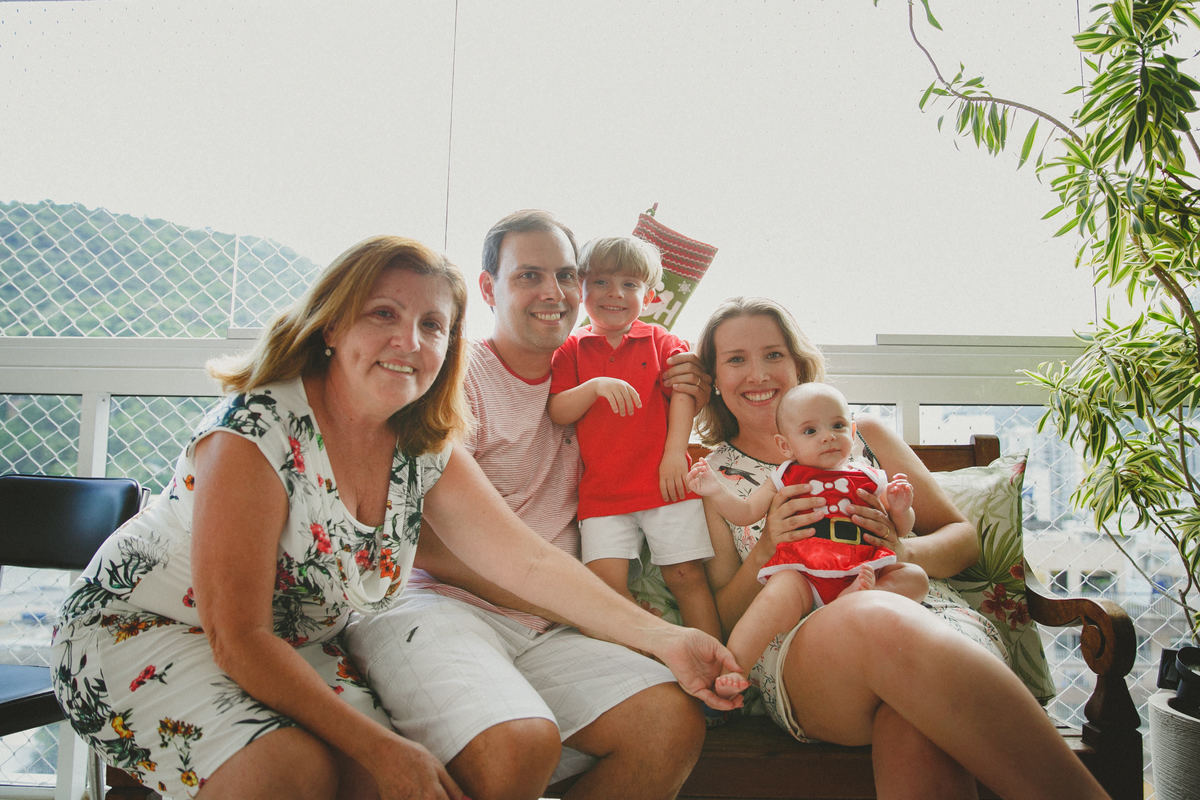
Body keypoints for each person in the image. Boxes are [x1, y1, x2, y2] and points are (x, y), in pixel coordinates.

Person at [50, 234, 739, 800]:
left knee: (392, 783)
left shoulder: (421, 438)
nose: (409, 341)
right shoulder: (257, 429)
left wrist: (666, 640)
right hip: (147, 632)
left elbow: (527, 561)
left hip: (292, 644)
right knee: (292, 772)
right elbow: (239, 637)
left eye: (432, 325)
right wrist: (386, 750)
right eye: (383, 314)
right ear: (331, 324)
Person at [343, 212, 734, 800]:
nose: (553, 292)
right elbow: (423, 544)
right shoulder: (452, 377)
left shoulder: (590, 366)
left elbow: (647, 326)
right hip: (441, 604)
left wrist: (685, 380)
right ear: (488, 288)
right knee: (514, 746)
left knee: (668, 724)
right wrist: (595, 612)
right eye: (528, 275)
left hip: (551, 624)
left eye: (566, 275)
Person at [693, 296, 1109, 799]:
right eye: (736, 359)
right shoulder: (713, 477)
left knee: (915, 724)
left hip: (930, 618)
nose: (758, 373)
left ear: (798, 363)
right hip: (803, 650)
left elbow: (962, 539)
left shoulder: (863, 437)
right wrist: (766, 549)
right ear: (714, 378)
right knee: (873, 615)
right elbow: (722, 617)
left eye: (773, 354)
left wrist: (901, 551)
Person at [687, 381, 927, 697]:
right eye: (810, 431)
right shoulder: (785, 476)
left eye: (837, 426)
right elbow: (745, 513)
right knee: (776, 594)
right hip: (806, 576)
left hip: (862, 571)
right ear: (786, 446)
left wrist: (900, 508)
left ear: (853, 431)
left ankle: (854, 599)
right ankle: (734, 668)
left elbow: (901, 529)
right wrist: (716, 491)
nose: (828, 436)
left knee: (915, 577)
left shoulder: (869, 476)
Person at [547, 235, 719, 638]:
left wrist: (675, 453)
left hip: (666, 481)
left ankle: (718, 660)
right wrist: (594, 387)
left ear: (650, 295)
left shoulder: (663, 341)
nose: (615, 293)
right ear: (581, 288)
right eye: (601, 282)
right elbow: (558, 410)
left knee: (686, 576)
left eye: (629, 284)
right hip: (602, 493)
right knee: (606, 587)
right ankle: (659, 646)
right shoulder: (569, 349)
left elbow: (685, 396)